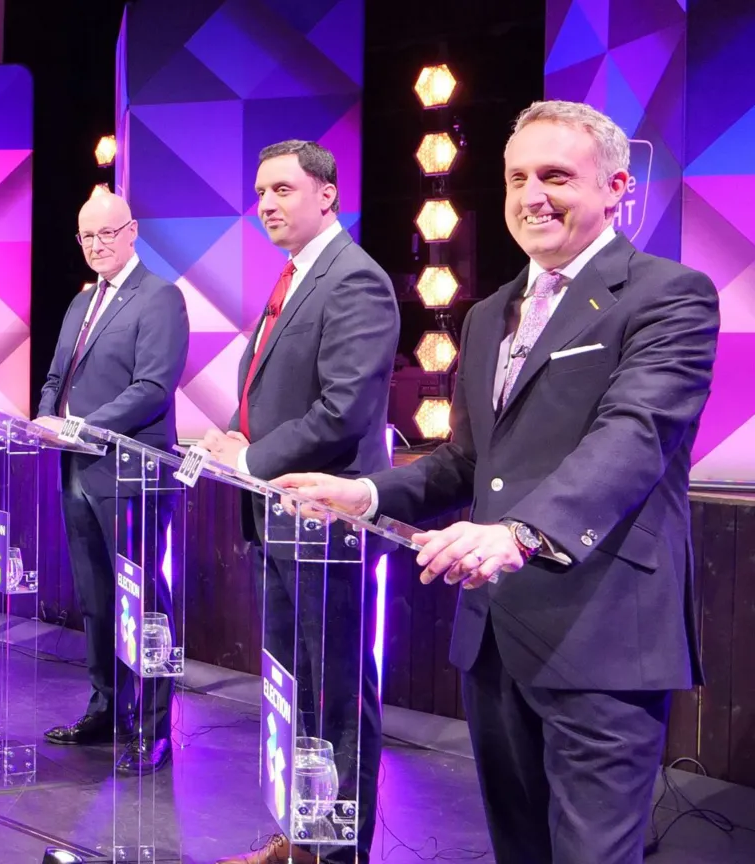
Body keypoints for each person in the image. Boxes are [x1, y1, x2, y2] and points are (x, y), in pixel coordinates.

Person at [275, 100, 720, 864]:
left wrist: (520, 533)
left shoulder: (669, 295)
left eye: (556, 176)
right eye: (518, 177)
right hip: (493, 639)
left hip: (604, 636)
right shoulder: (486, 315)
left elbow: (633, 438)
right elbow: (470, 462)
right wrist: (372, 493)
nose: (532, 195)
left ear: (616, 187)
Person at [204, 141, 399, 864]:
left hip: (327, 524)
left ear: (327, 194)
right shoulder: (292, 279)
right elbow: (271, 393)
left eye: (282, 188)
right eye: (260, 192)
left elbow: (344, 409)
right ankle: (302, 837)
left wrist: (250, 457)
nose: (267, 204)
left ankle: (340, 853)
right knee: (295, 693)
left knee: (339, 696)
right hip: (276, 521)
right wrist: (232, 437)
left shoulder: (354, 280)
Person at [35, 191, 189, 775]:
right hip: (76, 468)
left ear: (133, 232)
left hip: (134, 475)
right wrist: (48, 416)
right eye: (87, 237)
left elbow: (152, 387)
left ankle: (153, 730)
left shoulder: (160, 297)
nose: (97, 245)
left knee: (144, 603)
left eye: (107, 234)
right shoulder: (80, 303)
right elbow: (56, 377)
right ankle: (106, 708)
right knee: (97, 601)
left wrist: (79, 426)